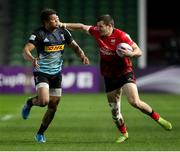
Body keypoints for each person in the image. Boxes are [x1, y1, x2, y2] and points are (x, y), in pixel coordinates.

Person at [59, 14, 172, 143]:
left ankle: (158, 119)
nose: (98, 28)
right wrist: (64, 25)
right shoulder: (96, 32)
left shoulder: (122, 36)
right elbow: (82, 27)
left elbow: (139, 51)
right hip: (109, 75)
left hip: (124, 72)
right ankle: (124, 133)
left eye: (101, 26)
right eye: (97, 26)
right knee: (114, 111)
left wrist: (131, 54)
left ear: (110, 26)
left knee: (134, 102)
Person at [21, 8, 89, 143]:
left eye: (57, 18)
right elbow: (26, 50)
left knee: (53, 106)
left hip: (56, 73)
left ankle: (40, 133)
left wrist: (82, 55)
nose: (57, 21)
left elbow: (74, 46)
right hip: (42, 71)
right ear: (46, 22)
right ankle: (30, 102)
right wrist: (32, 59)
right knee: (44, 101)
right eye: (54, 19)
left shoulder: (63, 32)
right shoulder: (39, 33)